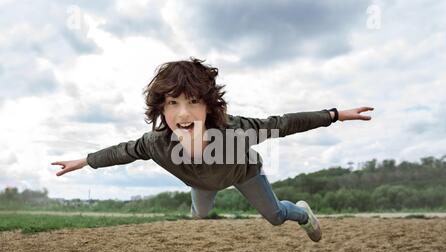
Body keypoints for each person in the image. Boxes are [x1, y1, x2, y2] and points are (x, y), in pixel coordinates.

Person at [51, 57, 374, 242]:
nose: (183, 113)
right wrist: (85, 161)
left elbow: (285, 123)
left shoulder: (236, 131)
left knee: (275, 217)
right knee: (200, 215)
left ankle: (302, 213)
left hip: (244, 172)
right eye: (172, 103)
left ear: (208, 107)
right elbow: (123, 151)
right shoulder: (156, 144)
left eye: (193, 102)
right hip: (202, 183)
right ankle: (199, 207)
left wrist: (334, 115)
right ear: (161, 110)